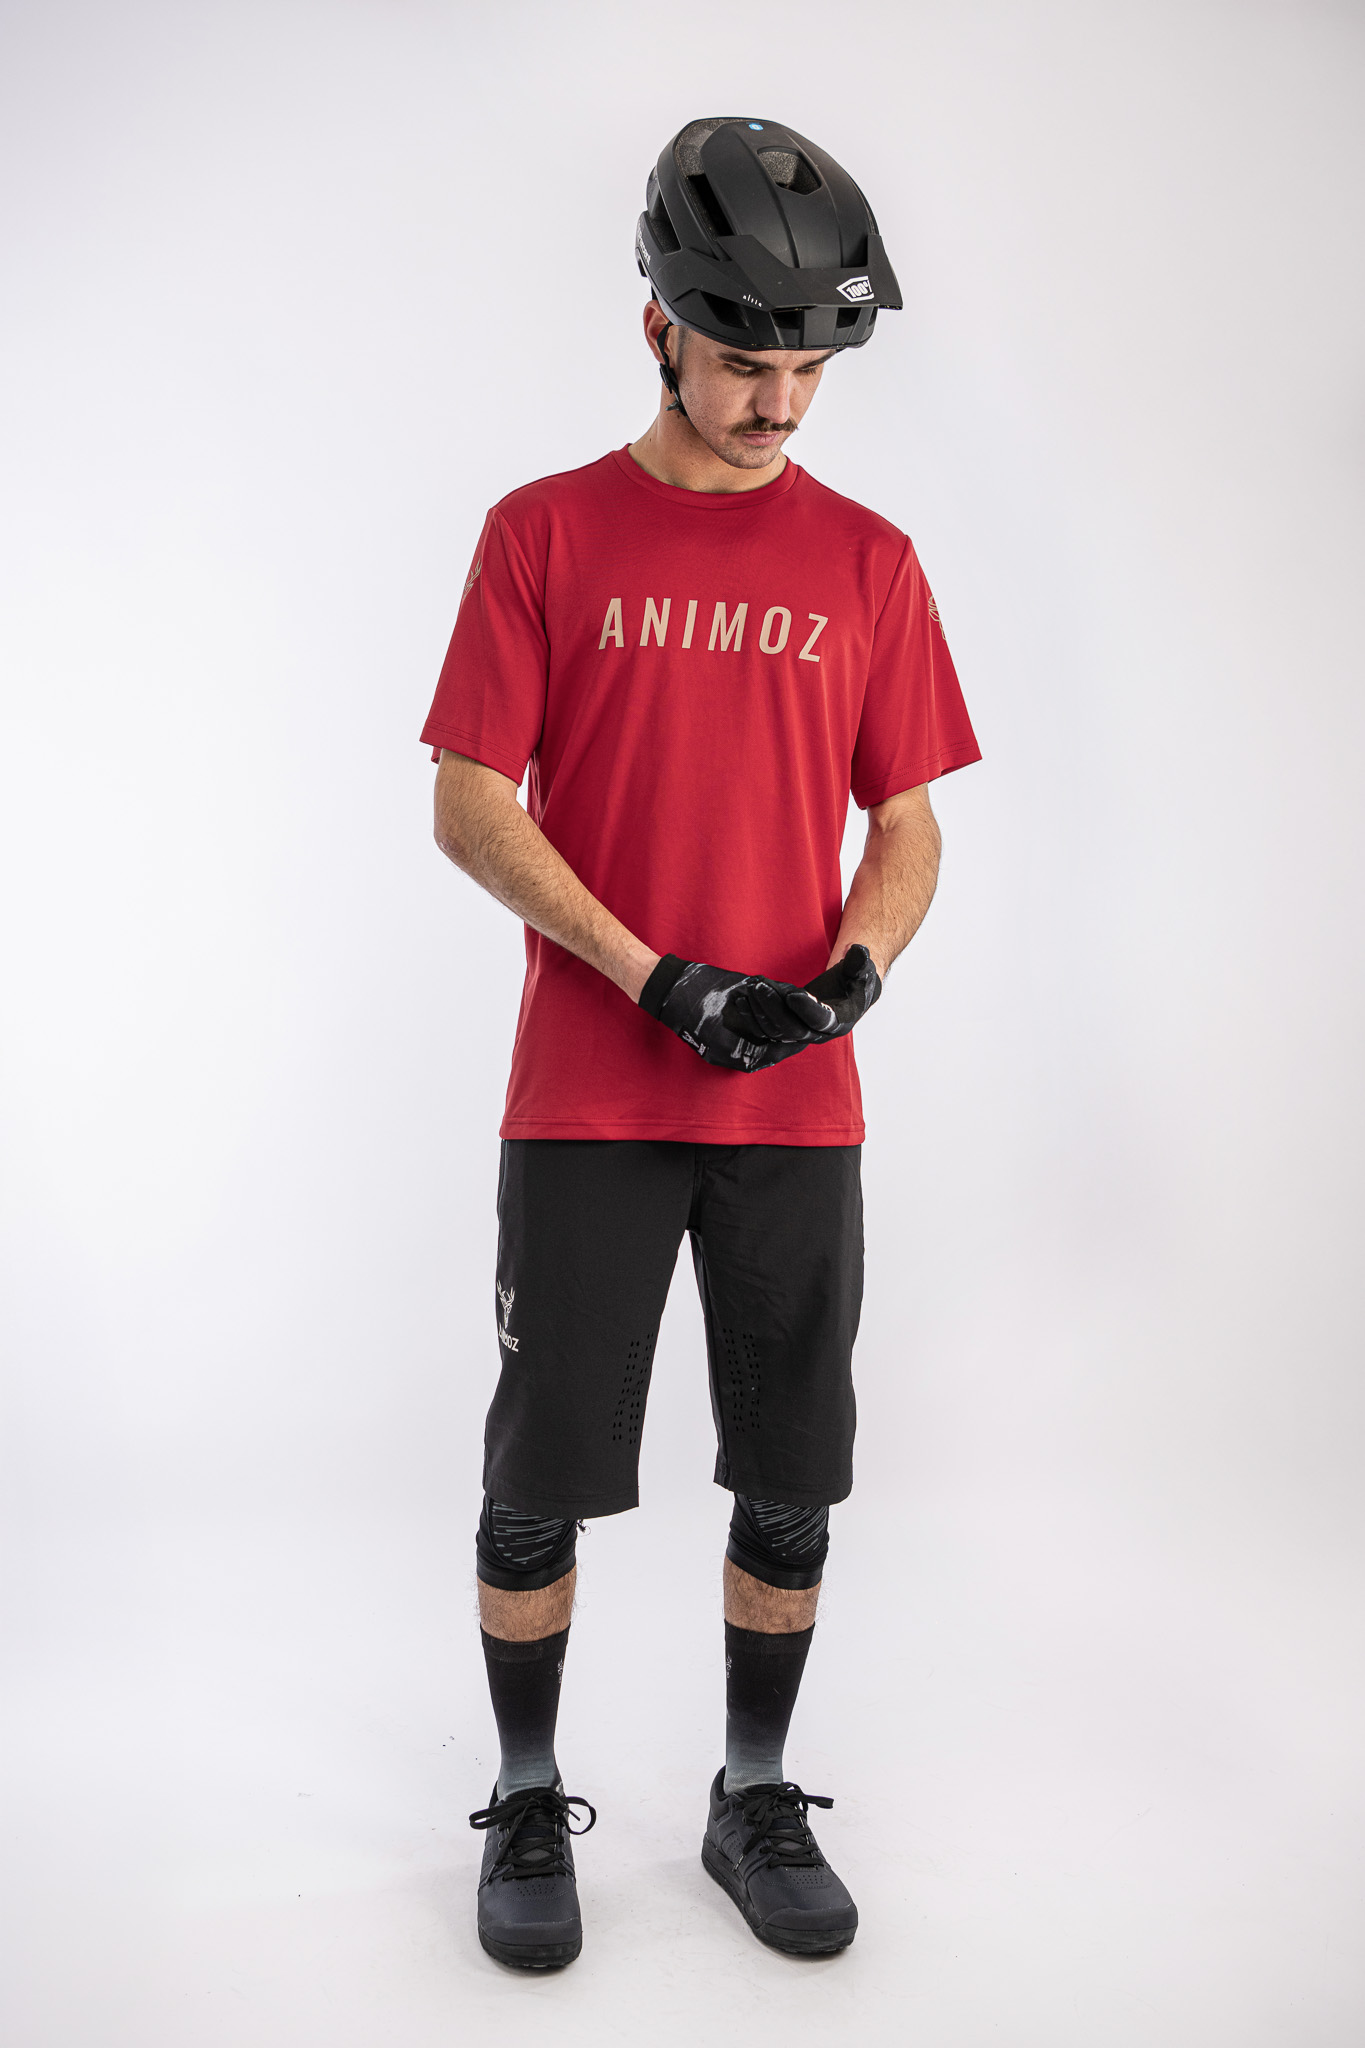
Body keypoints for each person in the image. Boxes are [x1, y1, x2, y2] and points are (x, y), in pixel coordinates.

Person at [421, 115, 980, 1970]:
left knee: (791, 1475)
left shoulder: (869, 561)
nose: (779, 404)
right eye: (745, 361)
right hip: (588, 1099)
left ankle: (752, 1791)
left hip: (795, 1107)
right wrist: (656, 977)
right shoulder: (543, 533)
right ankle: (523, 1795)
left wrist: (852, 975)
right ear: (657, 324)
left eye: (809, 368)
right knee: (535, 1483)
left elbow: (906, 820)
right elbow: (470, 802)